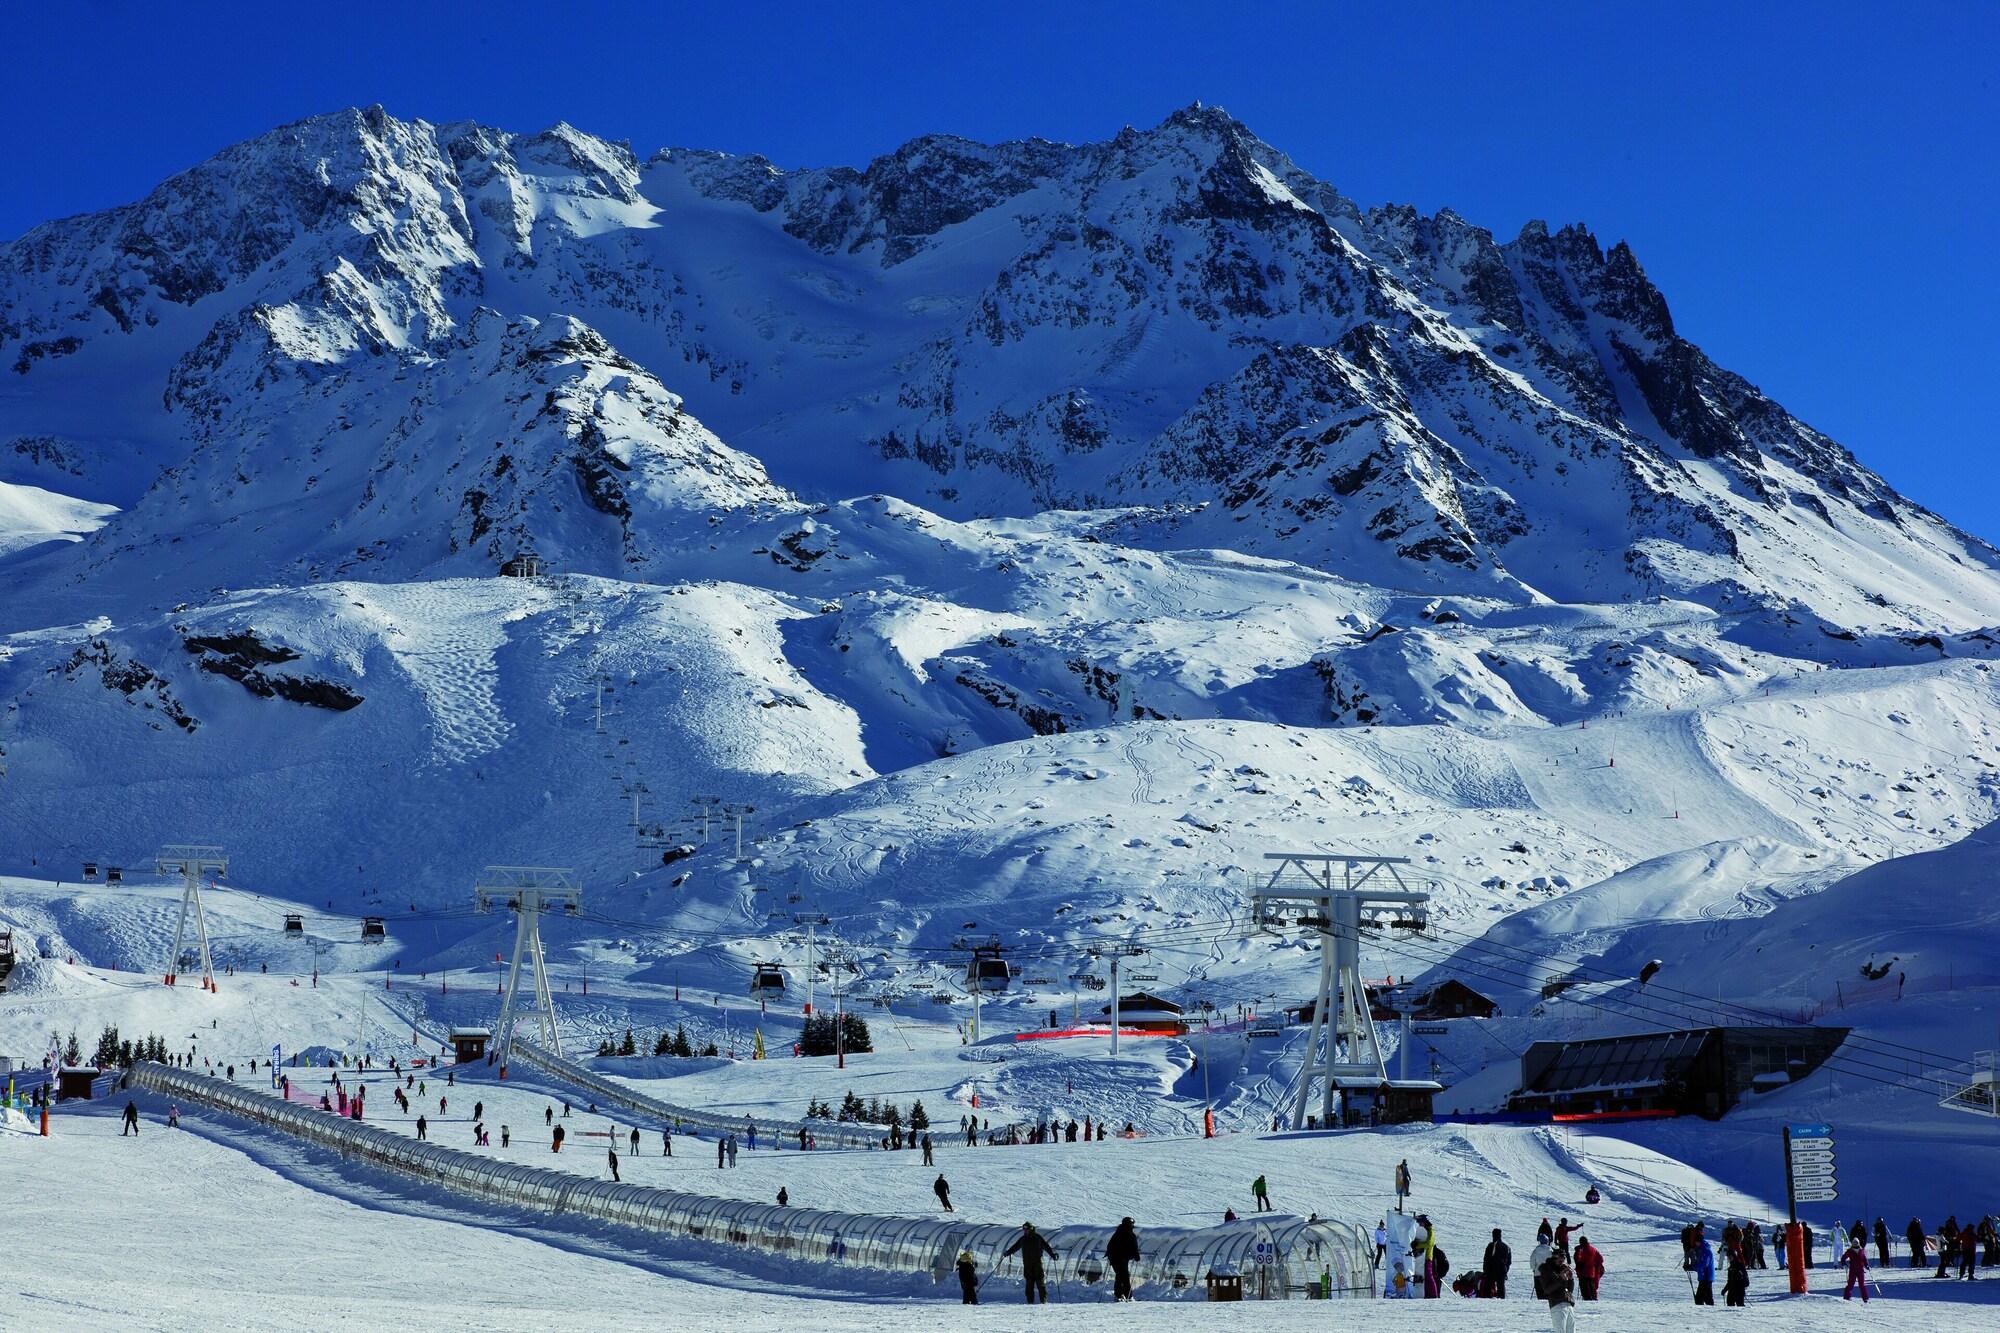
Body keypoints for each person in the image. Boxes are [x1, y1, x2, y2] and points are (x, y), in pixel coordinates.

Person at [1002, 1222, 1058, 1304]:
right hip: (1027, 1265)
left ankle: (1043, 1301)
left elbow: (1046, 1246)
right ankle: (1030, 1302)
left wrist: (1052, 1254)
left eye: (1027, 1229)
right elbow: (1015, 1246)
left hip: (1037, 1264)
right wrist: (1008, 1252)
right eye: (1024, 1230)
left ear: (1031, 1229)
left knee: (1040, 1284)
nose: (1025, 1231)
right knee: (1029, 1285)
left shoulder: (1037, 1238)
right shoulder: (1023, 1239)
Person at [1537, 1247, 1576, 1333]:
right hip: (1557, 1304)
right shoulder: (1546, 1270)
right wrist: (1560, 1279)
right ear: (1555, 1257)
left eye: (1564, 1258)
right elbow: (1547, 1289)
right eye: (1561, 1257)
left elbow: (1570, 1290)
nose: (1562, 1260)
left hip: (1568, 1303)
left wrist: (1570, 1278)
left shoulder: (1563, 1268)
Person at [1106, 1216, 1140, 1301]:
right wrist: (1136, 1256)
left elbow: (1134, 1248)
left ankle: (1122, 1295)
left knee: (1121, 1276)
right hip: (1118, 1259)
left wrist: (1135, 1255)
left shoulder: (1121, 1233)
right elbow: (1111, 1247)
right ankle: (1125, 1295)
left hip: (1120, 1260)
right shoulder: (1123, 1234)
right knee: (1123, 1276)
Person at [1573, 1235, 1603, 1300]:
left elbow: (1577, 1260)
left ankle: (1588, 1301)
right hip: (1592, 1272)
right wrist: (1594, 1265)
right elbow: (1600, 1259)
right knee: (1592, 1287)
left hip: (1582, 1272)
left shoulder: (1581, 1250)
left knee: (1585, 1290)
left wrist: (1576, 1251)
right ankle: (1594, 1299)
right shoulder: (1593, 1249)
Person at [1842, 1235, 1870, 1301]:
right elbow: (1843, 1258)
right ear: (1852, 1243)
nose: (1855, 1243)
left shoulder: (1861, 1250)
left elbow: (1864, 1259)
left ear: (1858, 1243)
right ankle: (1847, 1297)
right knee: (1850, 1284)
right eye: (1854, 1242)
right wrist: (1844, 1264)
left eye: (1856, 1242)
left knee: (1862, 1285)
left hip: (1860, 1270)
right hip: (1853, 1270)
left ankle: (1865, 1298)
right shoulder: (1850, 1251)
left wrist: (1867, 1265)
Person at [1692, 1231, 1715, 1305]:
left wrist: (1694, 1267)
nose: (1695, 1244)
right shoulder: (1701, 1250)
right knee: (1704, 1298)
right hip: (1703, 1277)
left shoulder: (1706, 1250)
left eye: (1696, 1242)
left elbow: (1704, 1264)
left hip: (1706, 1276)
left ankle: (1706, 1313)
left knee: (1701, 1298)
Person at [1725, 1236, 1749, 1307]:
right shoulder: (1730, 1267)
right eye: (1728, 1257)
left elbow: (1745, 1277)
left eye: (1730, 1257)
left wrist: (1743, 1284)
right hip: (1731, 1290)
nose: (1729, 1258)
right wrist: (1725, 1289)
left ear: (1733, 1256)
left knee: (1740, 1305)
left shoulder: (1739, 1265)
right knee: (1729, 1304)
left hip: (1739, 1290)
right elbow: (1729, 1280)